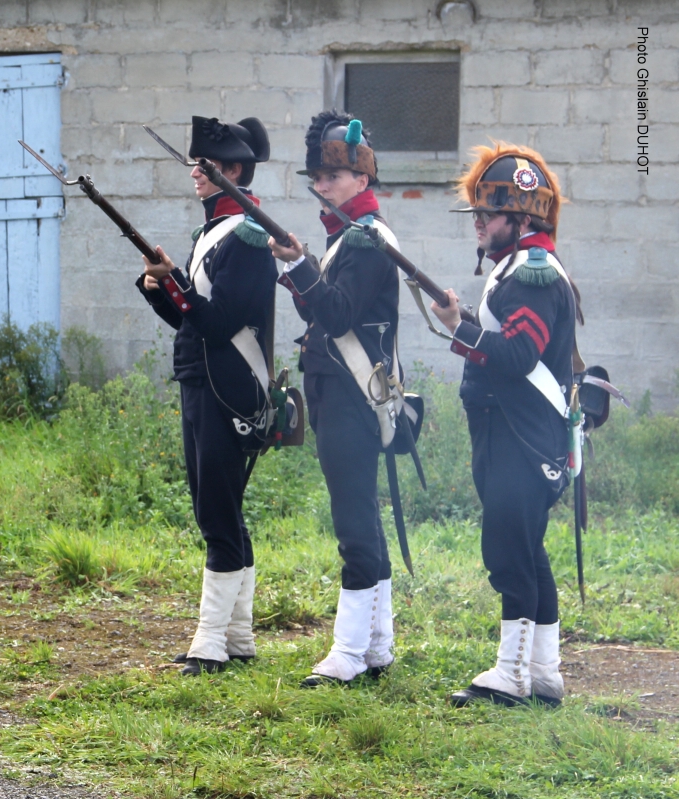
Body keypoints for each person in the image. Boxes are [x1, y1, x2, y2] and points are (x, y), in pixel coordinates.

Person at [430, 143, 577, 708]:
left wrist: (457, 329)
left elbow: (516, 356)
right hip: (514, 430)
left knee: (508, 551)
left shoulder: (533, 276)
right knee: (526, 549)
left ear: (521, 218)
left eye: (488, 214)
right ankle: (543, 674)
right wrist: (462, 320)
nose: (479, 224)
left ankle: (511, 675)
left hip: (519, 432)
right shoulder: (518, 270)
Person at [137, 116, 276, 677]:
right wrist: (157, 285)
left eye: (207, 164)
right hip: (201, 379)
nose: (195, 172)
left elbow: (219, 324)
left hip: (228, 386)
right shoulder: (213, 234)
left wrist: (175, 283)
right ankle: (237, 636)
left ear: (233, 171)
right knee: (217, 507)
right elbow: (190, 321)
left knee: (217, 511)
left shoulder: (247, 237)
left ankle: (210, 642)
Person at [268, 111, 401, 686]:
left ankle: (348, 653)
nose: (322, 185)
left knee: (353, 520)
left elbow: (340, 313)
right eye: (318, 178)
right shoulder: (346, 238)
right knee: (361, 514)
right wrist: (303, 269)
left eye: (334, 176)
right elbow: (322, 309)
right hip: (336, 390)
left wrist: (300, 265)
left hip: (351, 394)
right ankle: (377, 643)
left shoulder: (368, 242)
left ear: (362, 179)